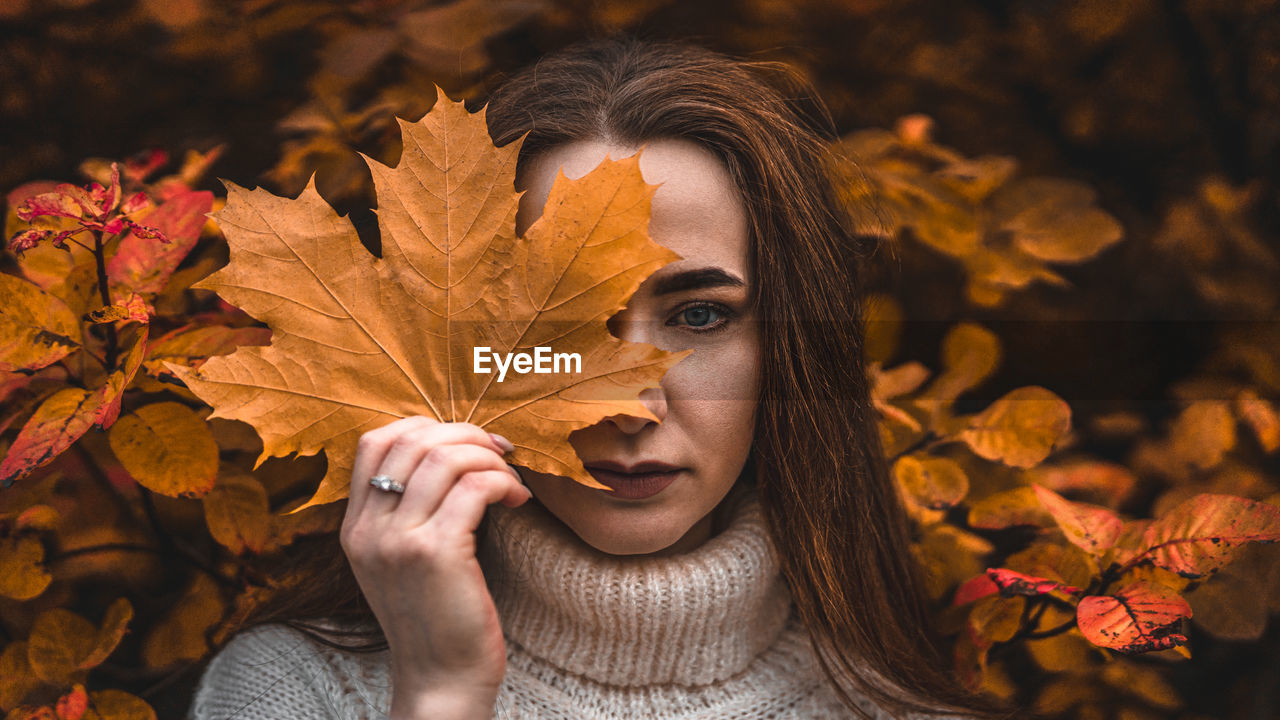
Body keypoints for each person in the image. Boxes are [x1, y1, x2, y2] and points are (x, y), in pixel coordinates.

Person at [189, 36, 1007, 720]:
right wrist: (441, 693)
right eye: (558, 329)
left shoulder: (893, 708)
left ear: (787, 348)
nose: (634, 405)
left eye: (698, 317)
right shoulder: (293, 694)